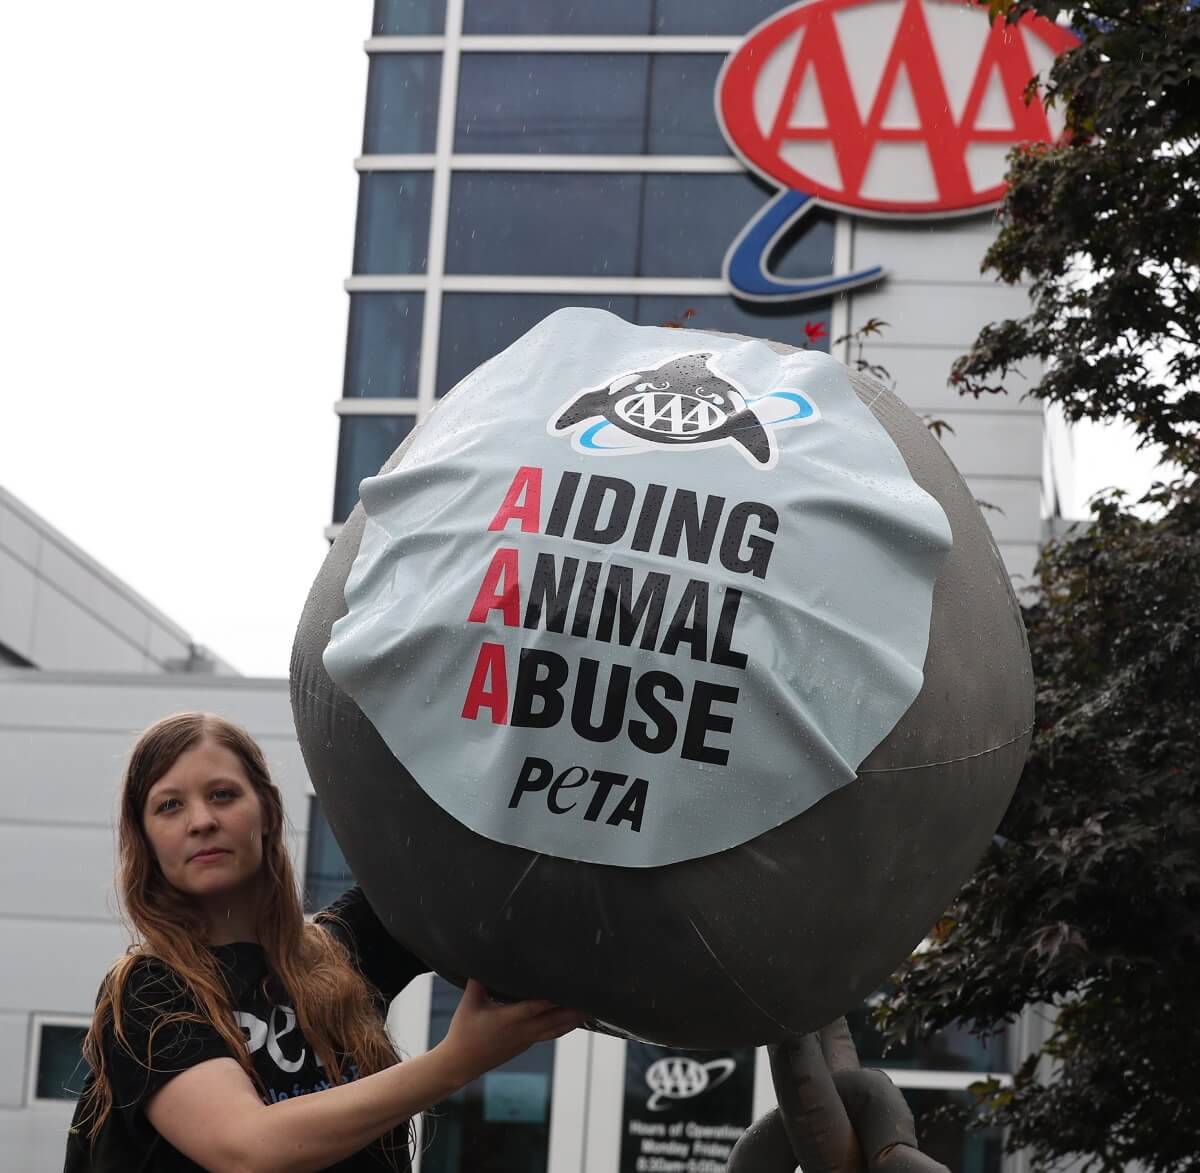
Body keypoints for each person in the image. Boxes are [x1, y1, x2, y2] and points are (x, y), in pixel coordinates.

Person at [64, 712, 586, 1172]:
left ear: (267, 811)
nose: (202, 821)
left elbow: (468, 848)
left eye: (222, 795)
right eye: (169, 806)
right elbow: (248, 1148)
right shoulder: (147, 992)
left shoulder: (339, 952)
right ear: (146, 837)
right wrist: (457, 1061)